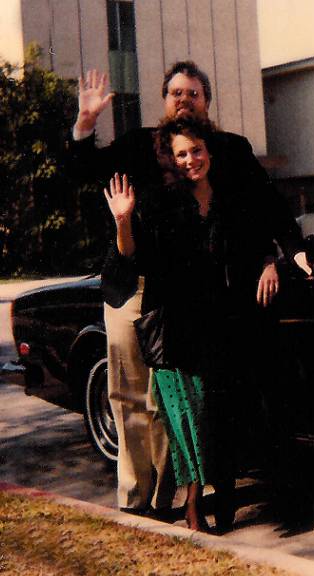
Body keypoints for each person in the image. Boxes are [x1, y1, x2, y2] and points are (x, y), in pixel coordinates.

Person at [68, 61, 310, 525]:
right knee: (132, 395)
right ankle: (137, 499)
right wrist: (86, 122)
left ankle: (174, 496)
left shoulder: (229, 151)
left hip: (191, 293)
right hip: (133, 281)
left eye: (194, 92)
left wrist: (281, 254)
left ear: (207, 101)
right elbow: (84, 168)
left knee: (179, 401)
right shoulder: (140, 145)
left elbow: (264, 207)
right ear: (164, 100)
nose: (184, 99)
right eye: (176, 92)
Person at [102, 116, 278, 531]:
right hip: (176, 328)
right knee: (186, 420)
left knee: (220, 416)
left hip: (221, 324)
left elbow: (255, 240)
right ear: (171, 159)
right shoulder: (159, 202)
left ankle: (225, 496)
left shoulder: (229, 200)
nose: (190, 160)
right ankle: (194, 504)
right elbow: (132, 256)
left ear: (209, 152)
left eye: (196, 151)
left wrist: (270, 261)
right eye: (181, 154)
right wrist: (123, 220)